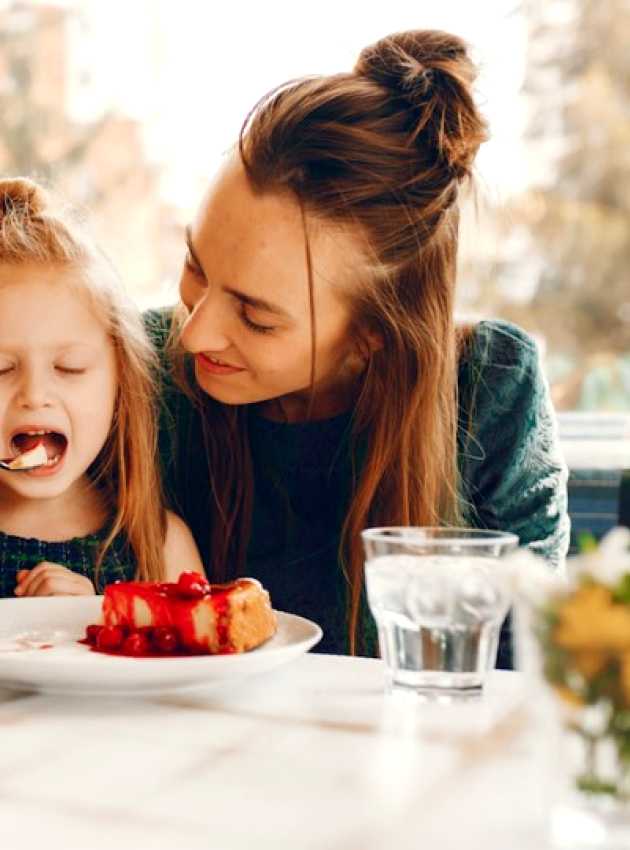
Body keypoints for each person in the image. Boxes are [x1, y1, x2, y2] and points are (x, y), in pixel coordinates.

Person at [146, 29, 570, 662]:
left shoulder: (491, 387)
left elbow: (527, 675)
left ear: (374, 335)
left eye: (257, 316)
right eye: (195, 266)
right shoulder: (134, 369)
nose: (194, 332)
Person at [0, 177, 203, 599]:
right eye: (1, 370)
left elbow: (196, 665)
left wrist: (94, 627)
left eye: (70, 368)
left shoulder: (159, 546)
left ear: (120, 385)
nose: (35, 394)